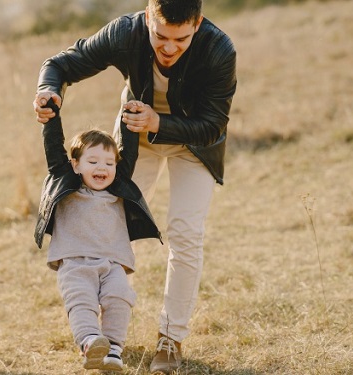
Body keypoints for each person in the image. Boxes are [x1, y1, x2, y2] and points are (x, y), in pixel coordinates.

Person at [32, 0, 237, 372]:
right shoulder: (125, 33)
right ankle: (96, 333)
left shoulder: (219, 49)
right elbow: (60, 64)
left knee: (185, 233)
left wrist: (159, 121)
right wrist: (49, 91)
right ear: (147, 18)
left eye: (181, 38)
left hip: (195, 145)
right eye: (160, 36)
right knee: (108, 222)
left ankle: (170, 338)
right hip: (133, 142)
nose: (170, 47)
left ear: (198, 24)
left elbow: (213, 125)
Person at [34, 99, 162, 372]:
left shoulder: (118, 187)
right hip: (75, 262)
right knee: (82, 301)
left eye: (108, 162)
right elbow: (54, 147)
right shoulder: (65, 181)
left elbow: (129, 150)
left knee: (119, 299)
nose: (101, 168)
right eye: (92, 161)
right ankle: (91, 343)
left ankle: (113, 349)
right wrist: (50, 115)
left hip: (113, 262)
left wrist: (131, 112)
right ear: (76, 165)